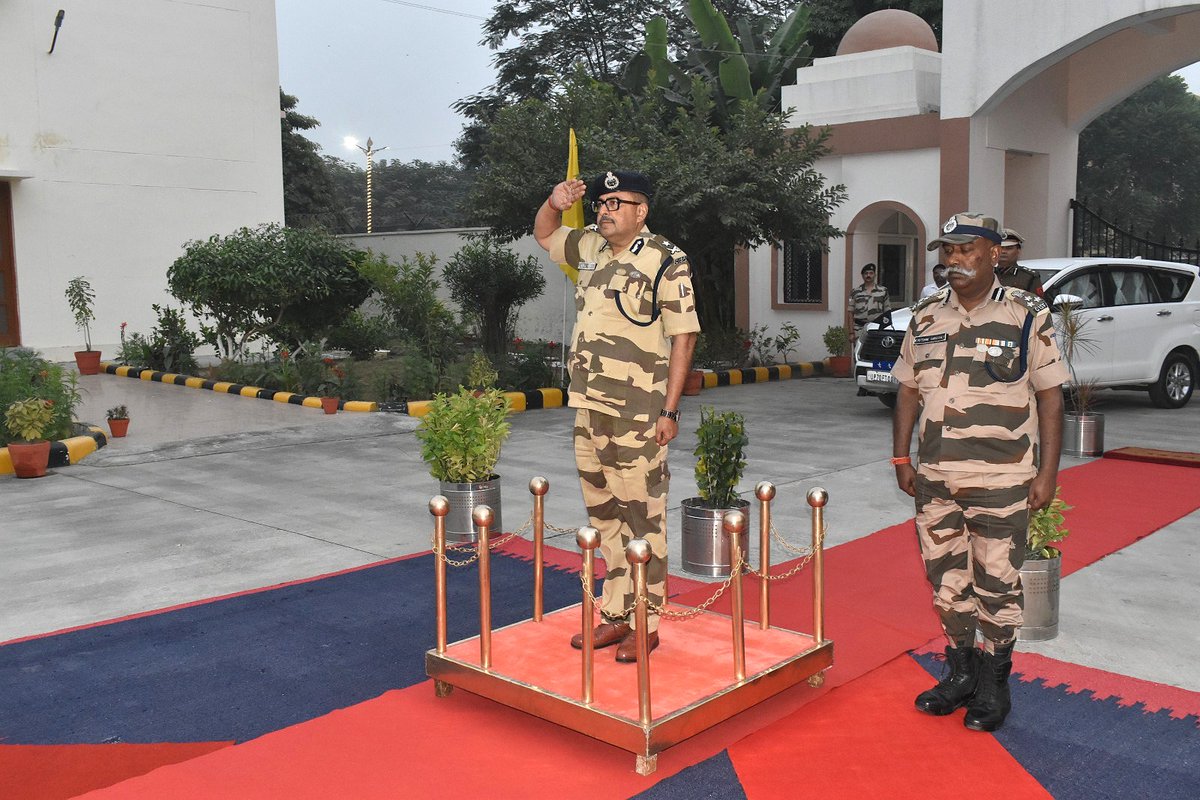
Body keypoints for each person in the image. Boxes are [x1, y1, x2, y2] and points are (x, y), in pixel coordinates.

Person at [890, 212, 1068, 732]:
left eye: (967, 251)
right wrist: (902, 458)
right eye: (948, 251)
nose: (955, 261)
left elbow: (1051, 397)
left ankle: (995, 680)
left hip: (1002, 476)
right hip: (936, 475)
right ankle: (961, 671)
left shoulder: (1025, 314)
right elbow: (907, 390)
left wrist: (1047, 473)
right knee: (946, 580)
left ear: (994, 254)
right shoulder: (925, 316)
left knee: (997, 581)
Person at [533, 170, 700, 663]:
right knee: (604, 517)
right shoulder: (589, 249)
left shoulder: (666, 261)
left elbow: (683, 336)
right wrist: (554, 200)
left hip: (638, 415)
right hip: (588, 409)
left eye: (615, 202)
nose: (604, 210)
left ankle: (645, 624)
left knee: (643, 520)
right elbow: (544, 232)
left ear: (640, 211)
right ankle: (615, 614)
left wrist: (670, 410)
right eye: (601, 202)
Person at [995, 228, 1044, 296]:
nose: (1003, 252)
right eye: (1000, 248)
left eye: (1009, 248)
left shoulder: (1028, 277)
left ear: (1018, 250)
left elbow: (1037, 303)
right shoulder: (987, 274)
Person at [848, 263, 891, 340]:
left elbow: (887, 312)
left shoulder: (883, 291)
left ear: (875, 275)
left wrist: (885, 330)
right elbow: (850, 313)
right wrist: (851, 333)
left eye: (871, 273)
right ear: (862, 275)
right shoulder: (855, 292)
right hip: (859, 329)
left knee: (875, 351)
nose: (868, 275)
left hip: (877, 328)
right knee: (859, 351)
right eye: (866, 273)